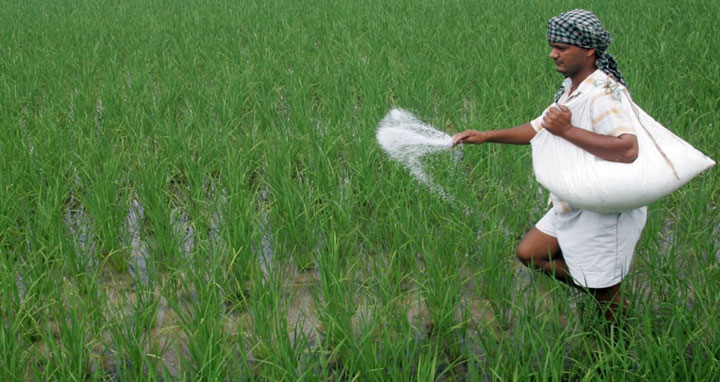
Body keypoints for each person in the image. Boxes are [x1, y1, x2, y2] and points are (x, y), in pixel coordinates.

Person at [452, 9, 647, 323]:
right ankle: (602, 296)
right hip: (575, 196)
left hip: (603, 204)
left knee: (606, 292)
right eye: (552, 46)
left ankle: (621, 337)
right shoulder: (573, 88)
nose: (552, 54)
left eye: (561, 48)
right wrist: (486, 136)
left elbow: (628, 149)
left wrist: (567, 131)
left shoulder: (604, 95)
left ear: (588, 50)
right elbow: (538, 127)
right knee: (530, 253)